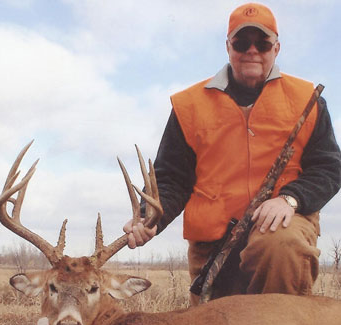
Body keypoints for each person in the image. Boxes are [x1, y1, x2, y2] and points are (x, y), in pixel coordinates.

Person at [124, 2, 341, 305]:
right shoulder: (190, 106)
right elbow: (171, 177)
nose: (252, 50)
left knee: (278, 246)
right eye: (242, 42)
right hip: (214, 246)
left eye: (262, 42)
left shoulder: (307, 100)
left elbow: (329, 168)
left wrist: (290, 199)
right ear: (228, 46)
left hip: (280, 229)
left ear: (276, 48)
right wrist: (149, 220)